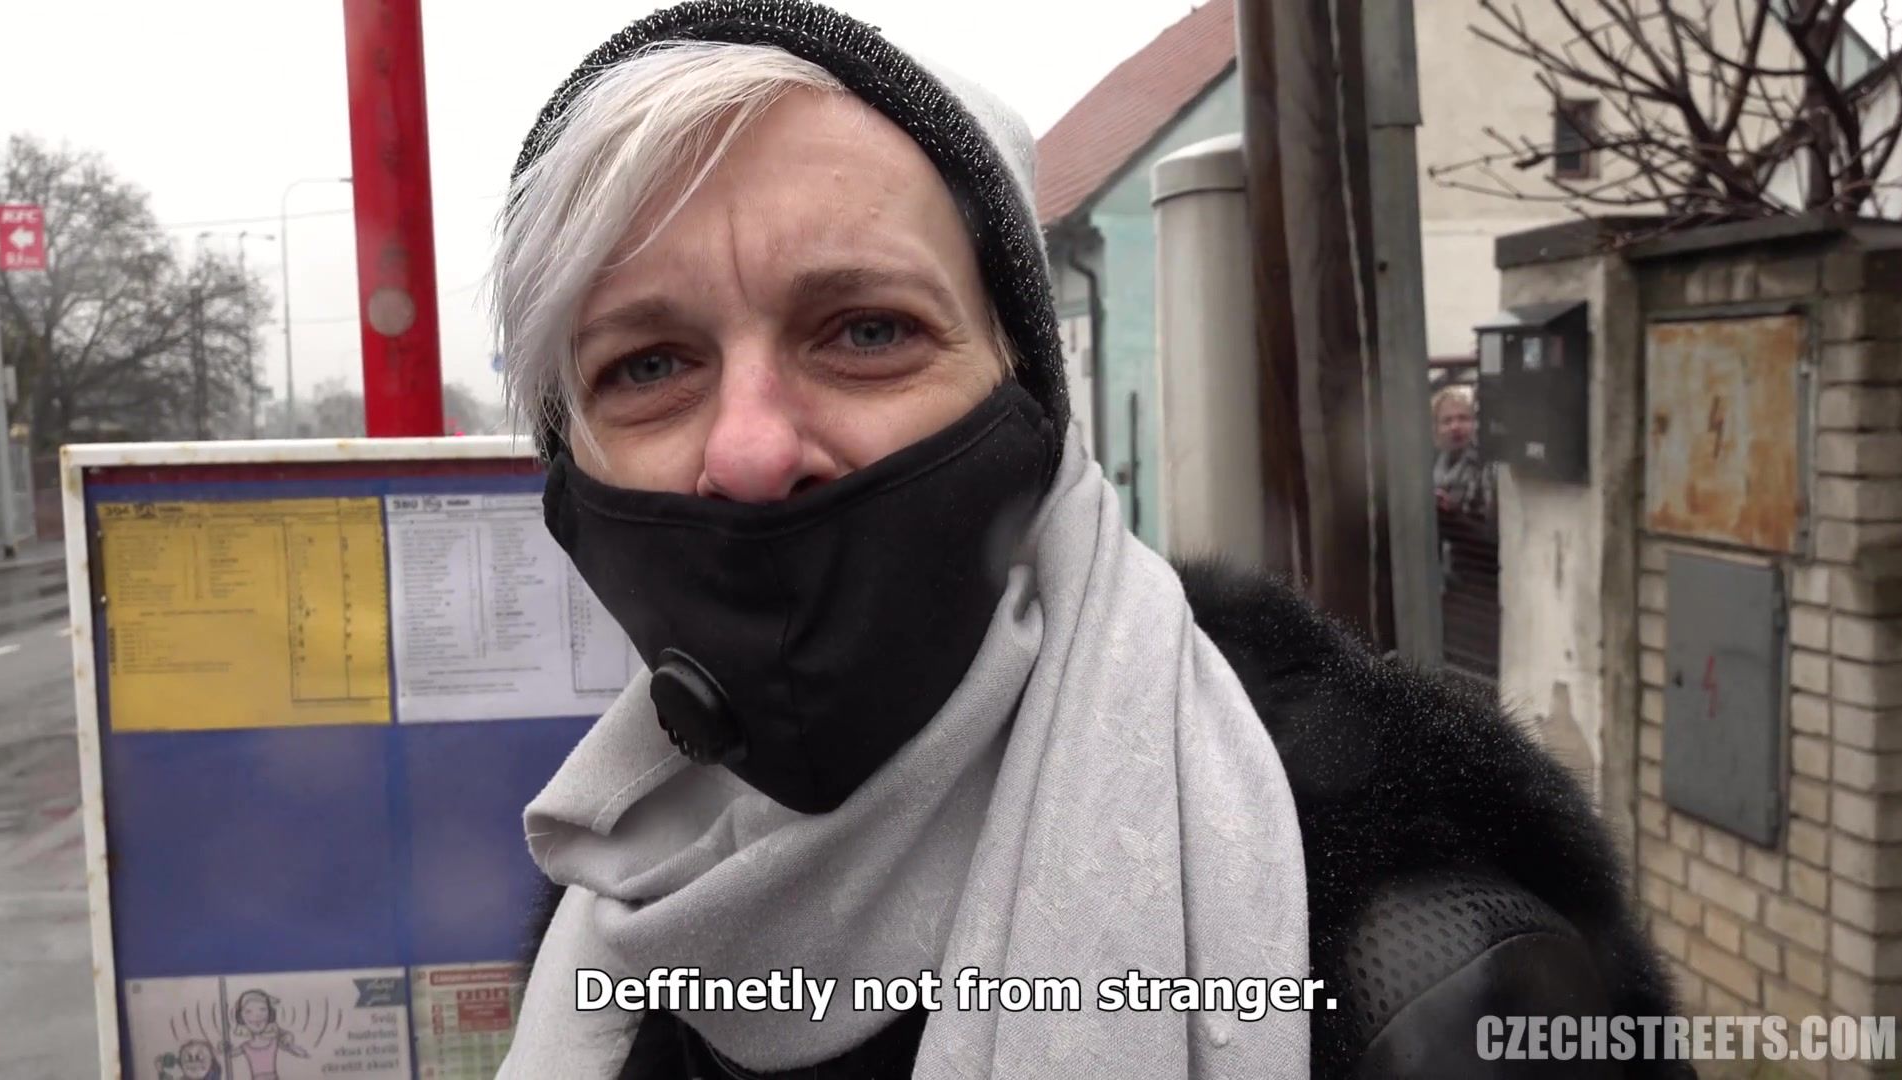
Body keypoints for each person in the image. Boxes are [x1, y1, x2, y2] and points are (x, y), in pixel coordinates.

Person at [495, 3, 1688, 1077]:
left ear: (1032, 407)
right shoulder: (621, 896)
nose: (754, 450)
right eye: (646, 366)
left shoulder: (1422, 961)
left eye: (867, 331)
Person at [1431, 385, 1492, 517]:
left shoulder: (1487, 463)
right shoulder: (1430, 461)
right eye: (1447, 421)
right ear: (1436, 428)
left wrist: (1453, 509)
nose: (1455, 427)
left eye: (1463, 418)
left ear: (1475, 422)